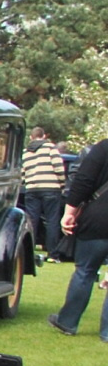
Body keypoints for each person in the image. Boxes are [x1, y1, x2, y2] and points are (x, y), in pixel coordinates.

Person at [48, 134, 108, 337]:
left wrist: (69, 213)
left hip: (98, 219)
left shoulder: (103, 148)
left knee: (85, 271)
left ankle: (68, 322)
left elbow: (83, 181)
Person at [22, 126, 67, 257]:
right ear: (44, 136)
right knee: (52, 220)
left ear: (31, 137)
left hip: (32, 189)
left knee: (31, 221)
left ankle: (29, 253)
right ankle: (52, 254)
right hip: (51, 188)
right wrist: (62, 184)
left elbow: (22, 174)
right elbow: (59, 168)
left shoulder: (25, 152)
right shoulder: (50, 148)